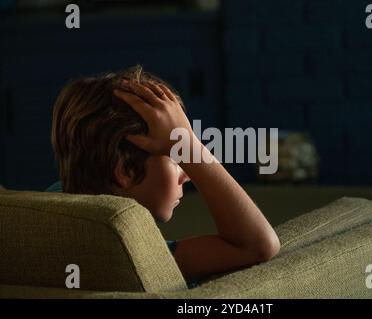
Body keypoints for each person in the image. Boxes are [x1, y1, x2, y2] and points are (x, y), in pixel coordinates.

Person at [49, 65, 280, 285]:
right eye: (176, 158)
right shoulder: (132, 254)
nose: (187, 175)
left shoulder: (54, 203)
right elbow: (258, 245)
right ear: (125, 171)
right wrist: (190, 146)